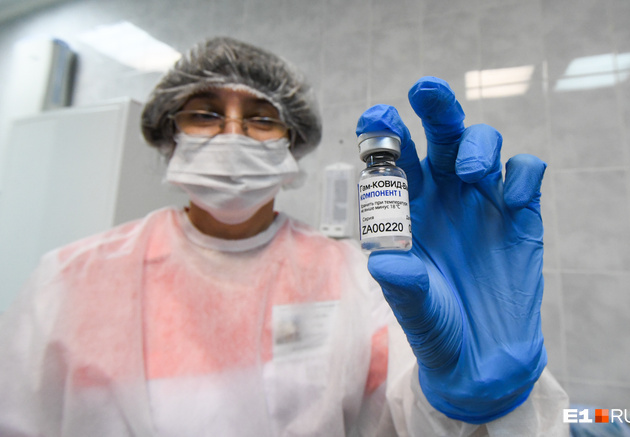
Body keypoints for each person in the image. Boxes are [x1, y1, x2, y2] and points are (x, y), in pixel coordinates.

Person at [0, 36, 569, 436]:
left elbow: (410, 420)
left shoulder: (355, 278)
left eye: (261, 118)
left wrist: (481, 405)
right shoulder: (69, 279)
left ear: (291, 143)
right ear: (168, 135)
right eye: (205, 113)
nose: (232, 135)